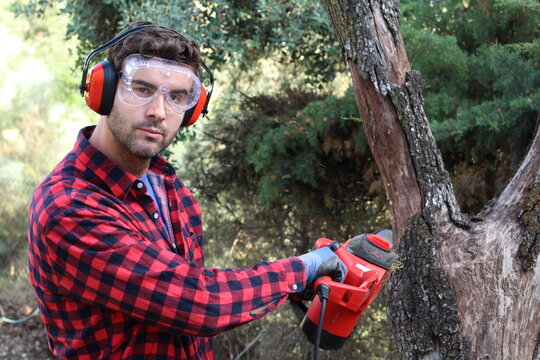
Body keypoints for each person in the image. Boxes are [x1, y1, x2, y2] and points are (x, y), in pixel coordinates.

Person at [27, 21, 346, 359]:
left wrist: (312, 275)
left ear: (192, 110)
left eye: (177, 97)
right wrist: (304, 268)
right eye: (143, 89)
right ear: (104, 91)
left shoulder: (171, 189)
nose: (158, 112)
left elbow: (187, 311)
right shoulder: (68, 207)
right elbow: (200, 303)